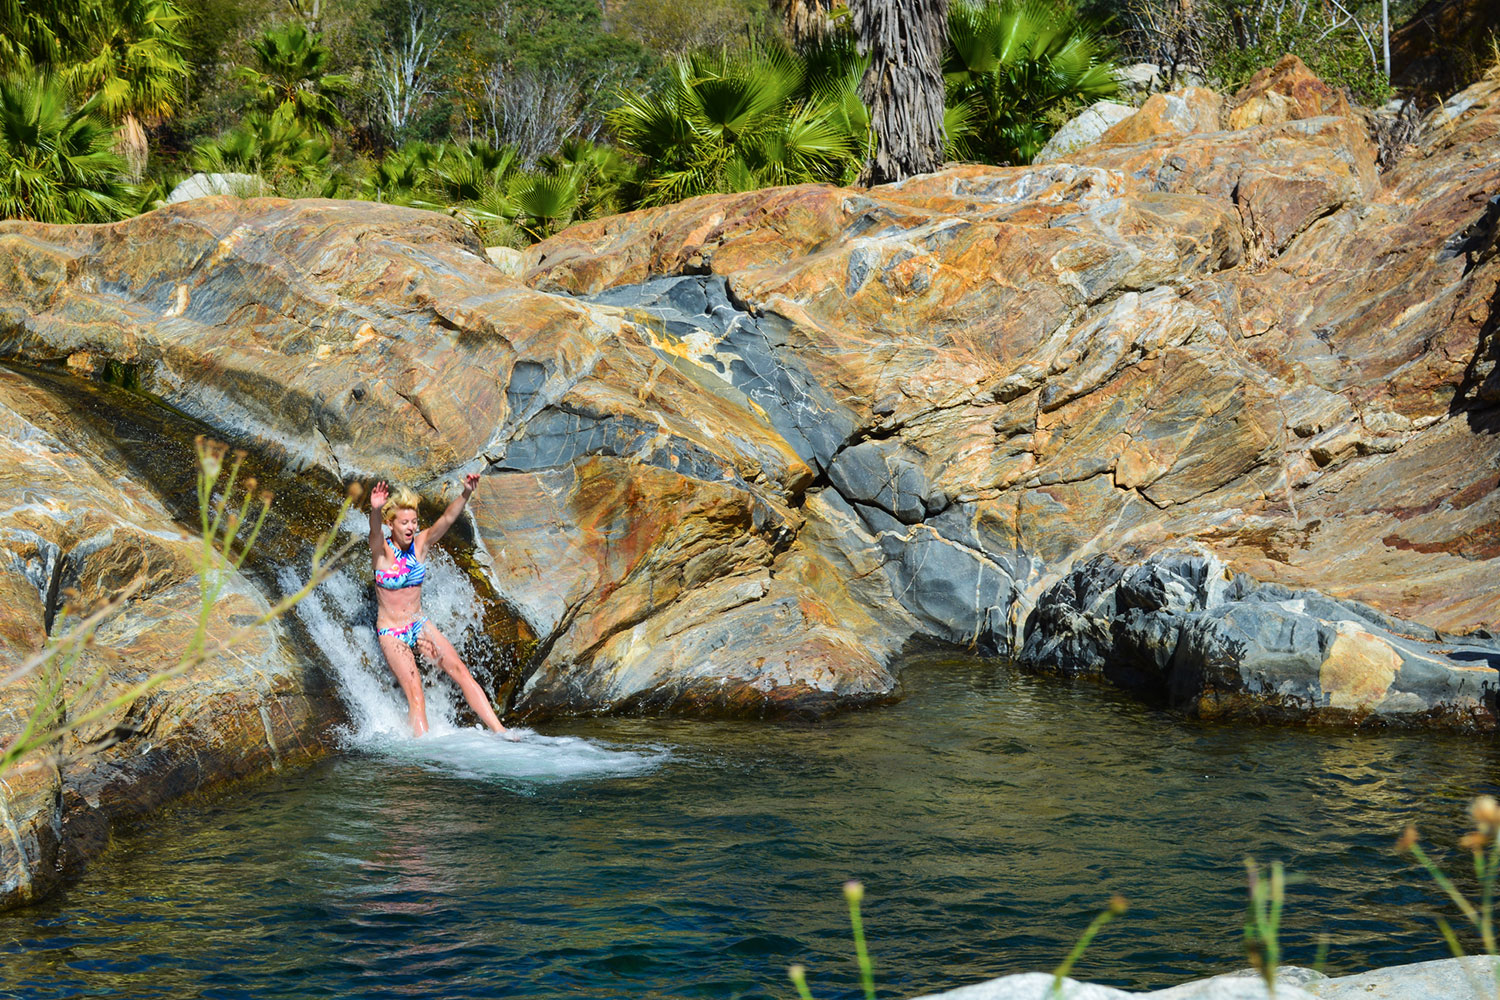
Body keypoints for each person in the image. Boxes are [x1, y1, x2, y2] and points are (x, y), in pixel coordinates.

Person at [368, 474, 510, 738]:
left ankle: (501, 731)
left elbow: (446, 519)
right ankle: (425, 751)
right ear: (391, 524)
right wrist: (376, 509)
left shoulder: (420, 545)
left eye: (414, 521)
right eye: (405, 522)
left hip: (418, 623)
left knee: (460, 670)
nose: (411, 527)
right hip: (391, 632)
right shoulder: (382, 552)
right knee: (415, 692)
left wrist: (466, 493)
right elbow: (374, 531)